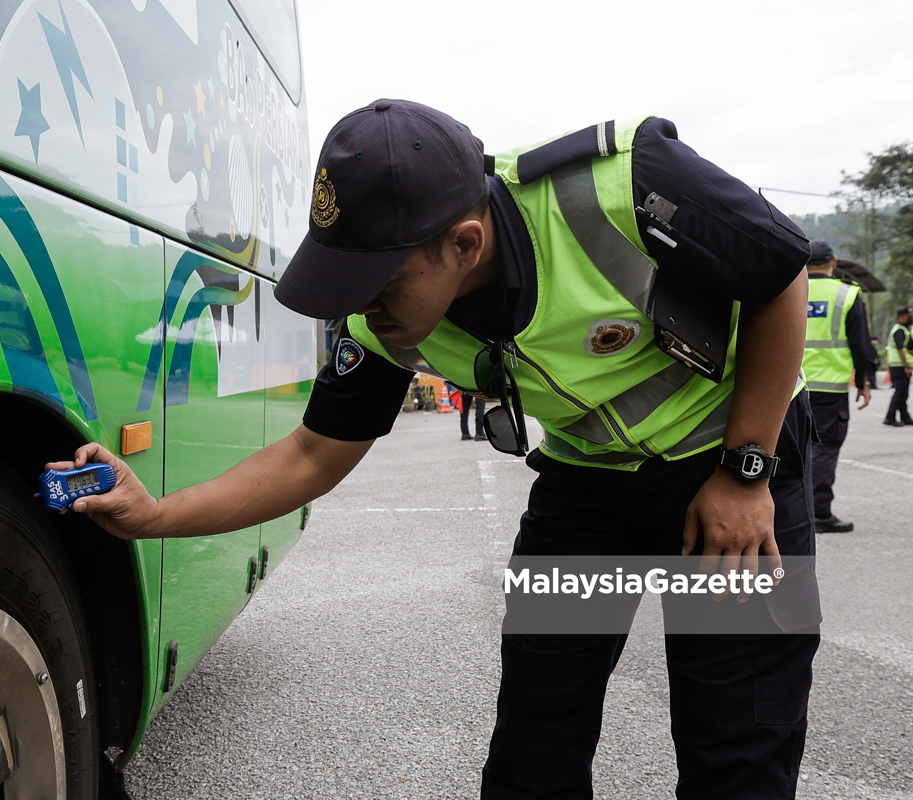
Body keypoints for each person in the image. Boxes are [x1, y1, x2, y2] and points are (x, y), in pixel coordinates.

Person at [49, 102, 817, 799]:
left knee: (738, 746)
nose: (361, 306)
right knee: (535, 743)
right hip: (588, 491)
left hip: (734, 465)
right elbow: (312, 455)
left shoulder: (625, 182)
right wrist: (153, 514)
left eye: (377, 283)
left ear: (464, 241)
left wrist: (747, 471)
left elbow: (779, 272)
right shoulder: (384, 326)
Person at [801, 241, 873, 532]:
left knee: (789, 447)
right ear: (834, 262)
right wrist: (864, 382)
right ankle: (818, 513)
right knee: (825, 448)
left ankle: (787, 510)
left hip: (789, 386)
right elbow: (861, 344)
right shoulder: (847, 294)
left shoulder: (788, 289)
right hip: (830, 388)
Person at [885, 306, 913, 426]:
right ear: (900, 317)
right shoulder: (899, 330)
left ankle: (904, 416)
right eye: (908, 317)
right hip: (898, 365)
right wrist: (906, 366)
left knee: (904, 392)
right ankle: (890, 417)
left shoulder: (904, 329)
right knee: (900, 391)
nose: (910, 319)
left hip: (900, 364)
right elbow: (901, 349)